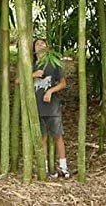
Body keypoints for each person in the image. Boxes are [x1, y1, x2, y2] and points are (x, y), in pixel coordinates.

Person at [32, 38, 70, 179]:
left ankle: (64, 168)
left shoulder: (53, 64)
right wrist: (32, 75)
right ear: (33, 49)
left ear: (48, 48)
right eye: (37, 44)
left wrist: (50, 91)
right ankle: (45, 169)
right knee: (42, 138)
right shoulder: (31, 64)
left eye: (43, 43)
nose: (41, 45)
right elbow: (18, 80)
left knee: (58, 136)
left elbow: (63, 83)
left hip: (52, 107)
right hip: (36, 107)